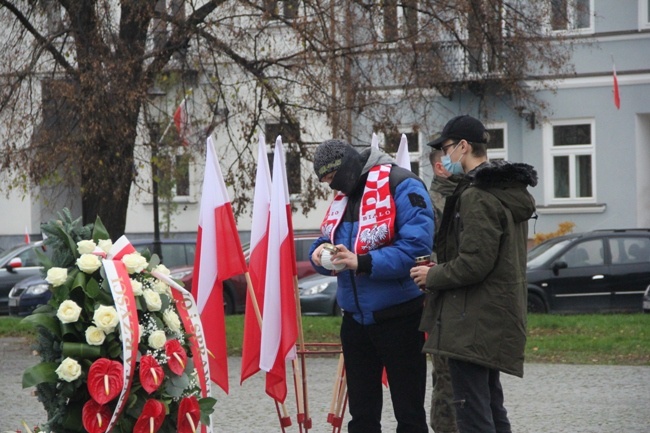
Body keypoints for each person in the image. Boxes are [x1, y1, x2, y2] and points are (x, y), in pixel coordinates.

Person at [411, 115, 537, 433]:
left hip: (472, 321)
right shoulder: (502, 188)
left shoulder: (477, 195)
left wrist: (433, 276)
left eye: (447, 148)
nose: (444, 156)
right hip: (491, 315)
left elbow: (474, 263)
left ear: (464, 146)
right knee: (491, 407)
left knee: (473, 413)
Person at [310, 139, 434, 433]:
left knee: (410, 413)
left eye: (331, 178)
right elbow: (327, 236)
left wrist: (361, 262)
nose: (331, 187)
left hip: (399, 318)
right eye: (326, 182)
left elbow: (416, 250)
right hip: (355, 321)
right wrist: (318, 255)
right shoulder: (345, 193)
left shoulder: (402, 185)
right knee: (362, 417)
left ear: (346, 168)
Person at [424, 146, 462, 433]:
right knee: (447, 382)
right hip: (446, 304)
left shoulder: (465, 197)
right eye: (453, 156)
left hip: (465, 304)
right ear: (440, 167)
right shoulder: (434, 204)